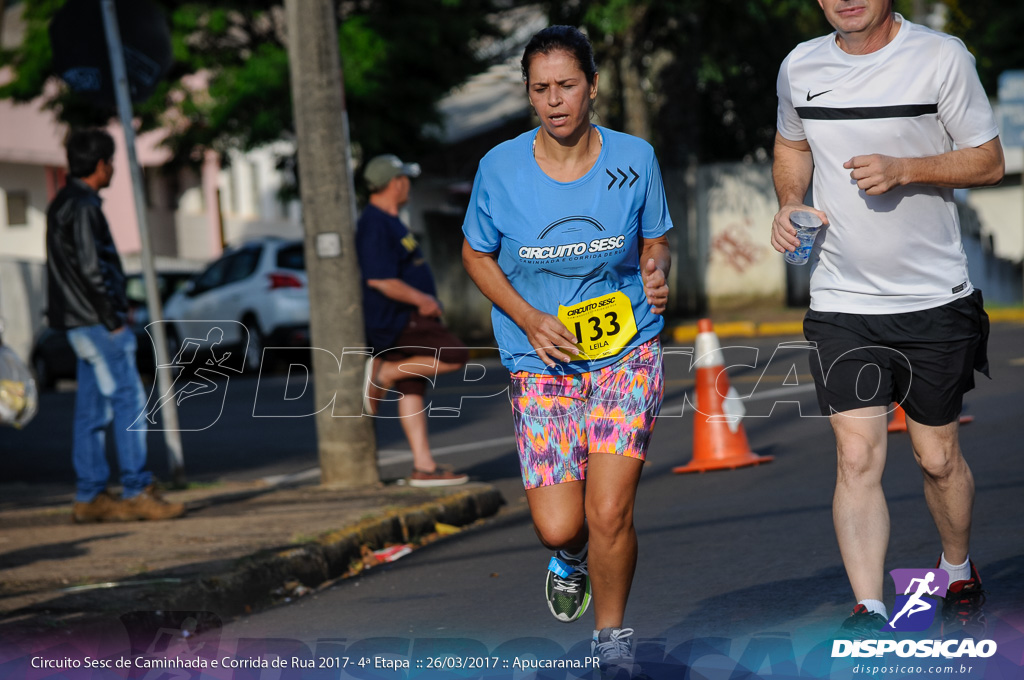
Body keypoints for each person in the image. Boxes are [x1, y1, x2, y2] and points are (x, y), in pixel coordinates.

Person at [771, 0, 1003, 639]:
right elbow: (791, 145)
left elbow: (987, 160)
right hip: (843, 302)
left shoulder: (940, 57)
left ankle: (957, 570)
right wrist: (790, 202)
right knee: (856, 455)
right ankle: (870, 608)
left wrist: (908, 168)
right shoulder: (800, 65)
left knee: (936, 457)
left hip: (934, 300)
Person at [461, 26, 671, 672]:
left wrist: (657, 270)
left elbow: (653, 239)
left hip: (624, 348)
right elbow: (475, 253)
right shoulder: (499, 168)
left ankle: (612, 644)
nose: (555, 101)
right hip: (541, 359)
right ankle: (570, 556)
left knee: (610, 510)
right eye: (541, 89)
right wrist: (526, 318)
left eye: (567, 86)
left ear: (592, 88)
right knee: (560, 524)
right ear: (529, 95)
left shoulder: (635, 158)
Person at [46, 129, 186, 523]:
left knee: (91, 410)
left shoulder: (63, 203)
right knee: (128, 400)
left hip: (78, 323)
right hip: (97, 323)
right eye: (111, 162)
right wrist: (113, 320)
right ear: (101, 164)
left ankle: (90, 496)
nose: (114, 170)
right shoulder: (85, 207)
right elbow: (93, 270)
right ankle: (136, 488)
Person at [356, 154, 470, 487]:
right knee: (455, 355)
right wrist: (422, 300)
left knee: (413, 386)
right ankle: (384, 372)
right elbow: (379, 279)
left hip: (408, 316)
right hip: (399, 318)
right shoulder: (374, 222)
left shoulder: (391, 219)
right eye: (405, 178)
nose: (408, 184)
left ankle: (424, 466)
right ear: (395, 182)